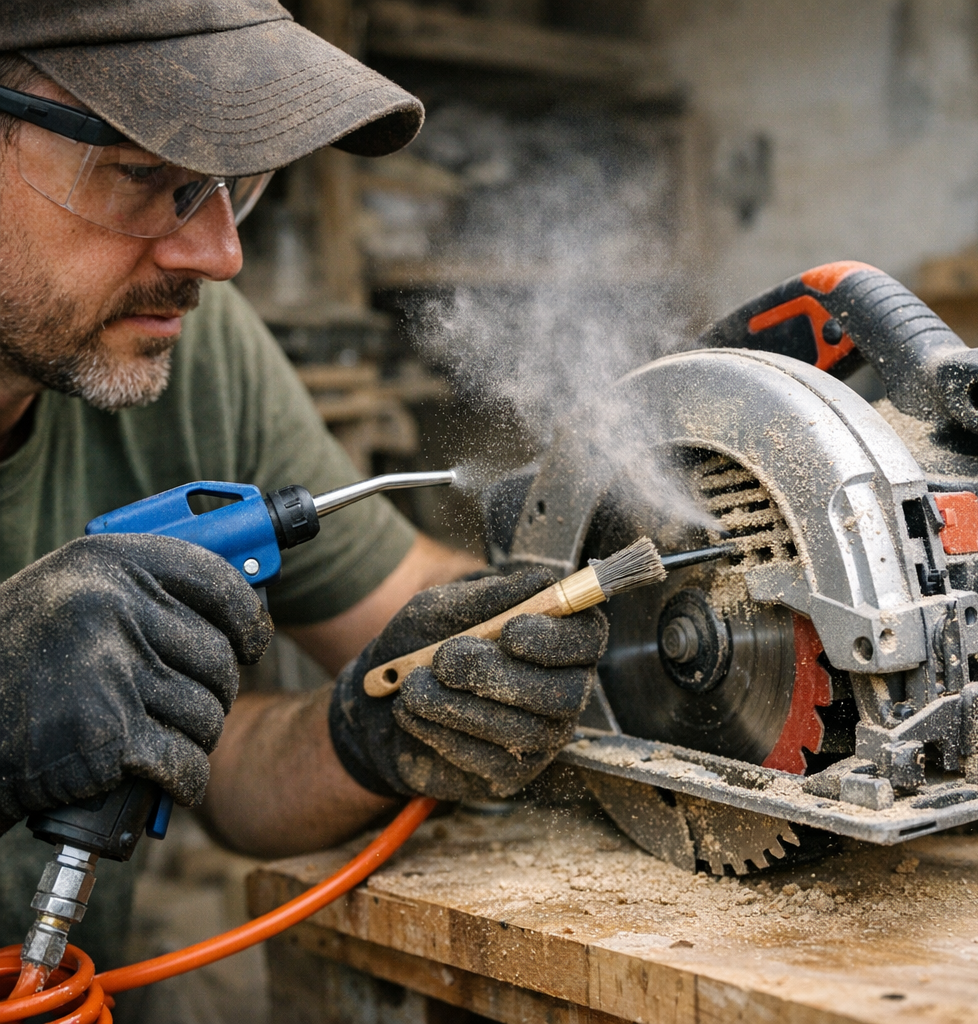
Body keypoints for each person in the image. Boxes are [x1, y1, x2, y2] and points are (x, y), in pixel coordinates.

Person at [0, 0, 607, 970]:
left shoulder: (181, 346)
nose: (217, 255)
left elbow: (226, 758)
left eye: (229, 187)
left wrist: (370, 728)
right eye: (143, 176)